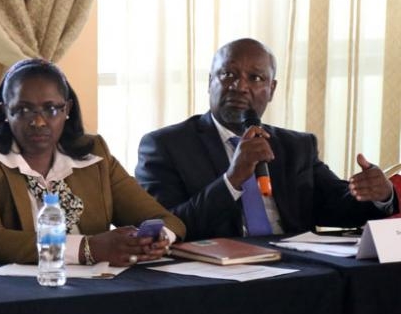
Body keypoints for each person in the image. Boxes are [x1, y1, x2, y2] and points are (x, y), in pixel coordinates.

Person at [135, 38, 397, 241]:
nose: (240, 86)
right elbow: (166, 227)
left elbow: (336, 207)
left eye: (256, 78)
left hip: (296, 270)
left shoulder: (296, 146)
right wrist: (232, 180)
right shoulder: (165, 146)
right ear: (209, 81)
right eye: (228, 74)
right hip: (214, 275)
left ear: (271, 90)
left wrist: (379, 194)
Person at [0, 58, 185, 267]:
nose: (38, 121)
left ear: (67, 109)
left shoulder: (94, 154)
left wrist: (156, 238)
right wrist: (88, 249)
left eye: (50, 109)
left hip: (85, 287)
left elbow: (166, 219)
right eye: (23, 109)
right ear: (4, 110)